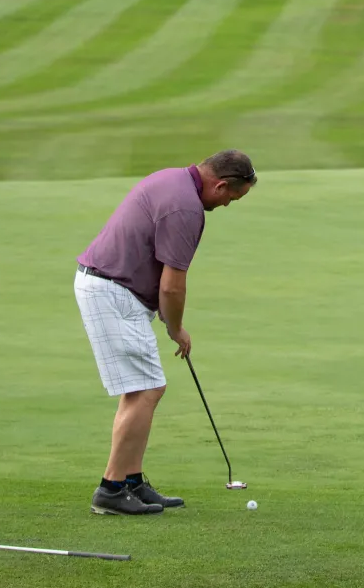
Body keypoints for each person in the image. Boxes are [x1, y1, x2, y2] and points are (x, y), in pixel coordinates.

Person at [74, 149, 257, 515]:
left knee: (143, 388)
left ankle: (131, 482)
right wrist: (176, 329)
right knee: (146, 389)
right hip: (114, 290)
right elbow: (172, 286)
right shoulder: (186, 209)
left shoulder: (172, 178)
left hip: (111, 285)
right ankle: (111, 489)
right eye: (231, 197)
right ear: (220, 184)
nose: (227, 205)